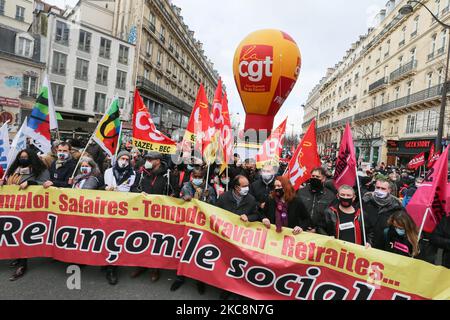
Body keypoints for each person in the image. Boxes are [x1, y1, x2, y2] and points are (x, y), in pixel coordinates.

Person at [0, 149, 50, 281]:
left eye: (26, 157)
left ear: (32, 158)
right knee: (13, 232)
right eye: (21, 157)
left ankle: (23, 264)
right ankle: (17, 257)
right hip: (11, 207)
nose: (23, 159)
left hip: (28, 207)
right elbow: (8, 181)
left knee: (23, 234)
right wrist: (3, 183)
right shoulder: (15, 169)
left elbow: (45, 184)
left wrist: (31, 183)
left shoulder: (40, 170)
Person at [170, 167, 216, 294]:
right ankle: (180, 276)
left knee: (199, 251)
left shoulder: (209, 189)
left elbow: (215, 206)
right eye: (194, 176)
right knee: (184, 249)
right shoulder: (186, 187)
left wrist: (208, 198)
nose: (196, 179)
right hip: (187, 222)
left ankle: (199, 280)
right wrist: (183, 198)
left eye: (199, 177)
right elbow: (178, 202)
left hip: (201, 224)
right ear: (191, 176)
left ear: (203, 177)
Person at [131, 151, 175, 282]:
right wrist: (140, 193)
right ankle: (140, 265)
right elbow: (134, 188)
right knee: (141, 239)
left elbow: (175, 191)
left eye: (150, 159)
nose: (147, 161)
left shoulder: (168, 175)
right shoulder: (142, 173)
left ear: (158, 161)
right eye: (147, 159)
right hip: (143, 212)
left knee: (156, 242)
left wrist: (171, 197)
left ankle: (155, 268)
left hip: (159, 214)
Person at [216, 175, 259, 300]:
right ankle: (225, 289)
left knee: (238, 267)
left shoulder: (250, 199)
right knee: (225, 265)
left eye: (248, 185)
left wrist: (249, 217)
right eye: (244, 186)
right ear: (236, 187)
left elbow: (257, 214)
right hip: (226, 238)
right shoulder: (224, 198)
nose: (247, 188)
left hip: (241, 240)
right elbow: (214, 212)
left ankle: (237, 290)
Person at [103, 150, 137, 285]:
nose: (124, 161)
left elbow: (134, 190)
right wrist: (104, 189)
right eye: (121, 158)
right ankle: (104, 262)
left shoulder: (133, 174)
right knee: (104, 235)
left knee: (116, 238)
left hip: (123, 211)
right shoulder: (108, 172)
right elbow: (98, 187)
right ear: (117, 159)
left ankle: (112, 268)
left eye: (126, 159)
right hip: (107, 209)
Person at [362, 178, 403, 250]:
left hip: (384, 246)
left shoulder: (396, 206)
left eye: (383, 188)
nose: (379, 190)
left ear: (389, 190)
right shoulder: (365, 201)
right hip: (364, 243)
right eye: (377, 187)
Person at [296, 167, 336, 235]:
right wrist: (302, 226)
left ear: (323, 179)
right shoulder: (301, 192)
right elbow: (296, 211)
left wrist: (317, 229)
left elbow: (329, 217)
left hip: (319, 234)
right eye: (313, 176)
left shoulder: (330, 196)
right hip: (300, 230)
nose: (314, 178)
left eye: (317, 177)